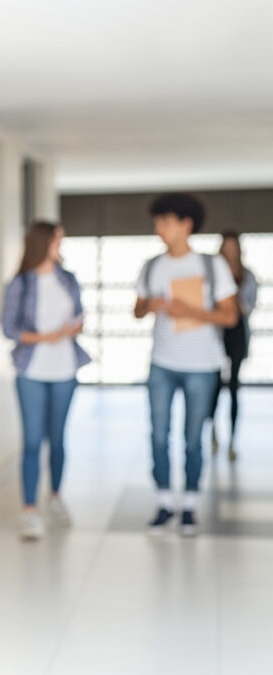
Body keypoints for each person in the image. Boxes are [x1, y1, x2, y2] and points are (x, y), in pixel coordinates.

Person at [134, 193, 238, 537]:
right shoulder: (152, 266)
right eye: (157, 222)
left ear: (185, 225)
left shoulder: (212, 266)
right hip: (161, 363)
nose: (158, 228)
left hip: (202, 365)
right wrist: (151, 305)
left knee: (193, 438)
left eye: (164, 221)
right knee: (157, 434)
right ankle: (165, 502)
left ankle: (190, 504)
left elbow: (230, 315)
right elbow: (137, 309)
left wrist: (187, 311)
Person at [2, 222, 90, 541]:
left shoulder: (68, 279)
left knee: (58, 438)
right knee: (31, 442)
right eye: (57, 240)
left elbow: (80, 317)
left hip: (65, 370)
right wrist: (46, 336)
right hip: (31, 372)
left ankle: (55, 497)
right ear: (43, 243)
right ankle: (29, 511)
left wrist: (72, 329)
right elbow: (9, 329)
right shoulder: (20, 284)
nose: (60, 245)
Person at [208, 231, 259, 462]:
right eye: (225, 248)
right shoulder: (212, 276)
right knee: (214, 388)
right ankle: (213, 435)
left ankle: (232, 441)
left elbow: (246, 307)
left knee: (234, 388)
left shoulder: (247, 276)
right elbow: (208, 307)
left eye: (233, 248)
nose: (229, 253)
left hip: (237, 334)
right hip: (216, 335)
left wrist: (230, 292)